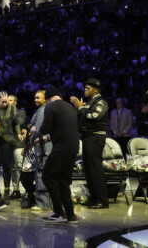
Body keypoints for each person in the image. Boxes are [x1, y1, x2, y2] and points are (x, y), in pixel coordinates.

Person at [37, 85, 79, 223]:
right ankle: (71, 215)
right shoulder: (69, 107)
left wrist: (35, 132)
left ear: (48, 98)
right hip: (73, 147)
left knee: (48, 176)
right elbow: (63, 129)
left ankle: (58, 212)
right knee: (63, 180)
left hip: (61, 148)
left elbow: (45, 127)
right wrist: (46, 139)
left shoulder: (51, 106)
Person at [70, 78, 109, 209]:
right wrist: (79, 109)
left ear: (96, 90)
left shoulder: (100, 101)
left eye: (88, 88)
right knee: (88, 170)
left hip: (95, 138)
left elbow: (94, 116)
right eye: (85, 88)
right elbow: (82, 117)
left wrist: (80, 108)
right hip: (87, 138)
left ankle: (102, 200)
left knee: (95, 170)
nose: (85, 90)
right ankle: (94, 198)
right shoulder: (90, 102)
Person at [0, 91, 21, 201]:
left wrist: (18, 133)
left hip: (8, 138)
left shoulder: (12, 108)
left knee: (6, 165)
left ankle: (6, 190)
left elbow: (16, 123)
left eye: (6, 102)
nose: (5, 104)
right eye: (3, 102)